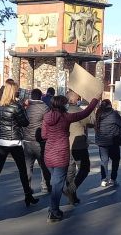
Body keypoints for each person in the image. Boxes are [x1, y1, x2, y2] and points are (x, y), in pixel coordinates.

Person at [41, 94, 100, 222]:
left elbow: (44, 135)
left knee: (55, 181)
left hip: (48, 154)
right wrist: (95, 99)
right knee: (57, 184)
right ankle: (53, 211)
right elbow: (85, 113)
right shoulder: (66, 117)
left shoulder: (46, 117)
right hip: (60, 154)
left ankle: (57, 206)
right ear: (62, 105)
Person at [0, 79, 37, 211]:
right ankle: (27, 195)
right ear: (13, 91)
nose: (18, 91)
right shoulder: (16, 106)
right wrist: (24, 108)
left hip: (0, 141)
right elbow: (25, 122)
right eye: (17, 89)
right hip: (14, 141)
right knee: (22, 170)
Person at [64, 91, 95, 204]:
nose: (79, 99)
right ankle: (71, 189)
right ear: (74, 100)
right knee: (84, 169)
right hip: (79, 145)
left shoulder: (64, 111)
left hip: (66, 145)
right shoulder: (79, 111)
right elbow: (92, 122)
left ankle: (72, 197)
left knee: (70, 172)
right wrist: (91, 109)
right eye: (78, 98)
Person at [22, 88, 51, 194]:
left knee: (27, 166)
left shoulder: (26, 108)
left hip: (27, 140)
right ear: (40, 96)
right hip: (40, 141)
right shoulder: (45, 108)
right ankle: (45, 186)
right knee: (44, 165)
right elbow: (48, 122)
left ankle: (27, 187)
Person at [94, 99, 121, 188]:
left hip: (102, 142)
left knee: (104, 161)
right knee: (115, 160)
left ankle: (104, 179)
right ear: (110, 105)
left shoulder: (98, 114)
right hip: (113, 142)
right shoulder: (114, 114)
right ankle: (113, 179)